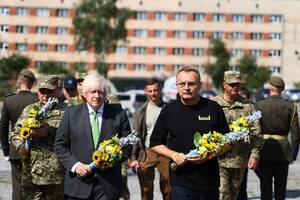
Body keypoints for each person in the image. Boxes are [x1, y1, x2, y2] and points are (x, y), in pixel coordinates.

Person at [150, 65, 230, 200]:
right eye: (182, 84)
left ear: (200, 85)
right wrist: (173, 155)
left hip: (209, 182)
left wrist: (210, 154)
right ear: (177, 85)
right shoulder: (169, 110)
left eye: (191, 84)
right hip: (181, 182)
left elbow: (227, 141)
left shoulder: (212, 108)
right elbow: (155, 143)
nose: (186, 87)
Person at [54, 73, 132, 200]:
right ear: (84, 94)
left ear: (105, 94)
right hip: (78, 185)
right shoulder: (70, 114)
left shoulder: (118, 115)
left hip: (108, 186)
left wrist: (112, 158)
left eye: (100, 92)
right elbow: (60, 146)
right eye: (92, 92)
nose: (97, 96)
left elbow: (127, 146)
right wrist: (75, 165)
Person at [10, 75, 67, 200]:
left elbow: (73, 137)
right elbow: (15, 133)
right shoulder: (29, 110)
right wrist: (20, 146)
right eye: (42, 91)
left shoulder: (65, 112)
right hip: (31, 172)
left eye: (49, 91)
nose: (45, 95)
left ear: (56, 91)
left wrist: (51, 132)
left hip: (55, 175)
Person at [212, 71, 263, 200]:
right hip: (217, 160)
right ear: (224, 85)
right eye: (231, 84)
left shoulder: (247, 106)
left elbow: (256, 133)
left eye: (237, 85)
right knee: (222, 195)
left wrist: (254, 154)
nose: (235, 87)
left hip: (239, 160)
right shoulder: (213, 104)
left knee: (234, 195)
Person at [255, 76, 300, 200]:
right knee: (280, 189)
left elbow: (254, 130)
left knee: (265, 189)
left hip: (264, 149)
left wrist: (253, 152)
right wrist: (293, 154)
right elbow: (296, 134)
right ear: (283, 89)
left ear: (269, 87)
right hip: (283, 151)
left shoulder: (259, 105)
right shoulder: (291, 107)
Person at [130, 78, 171, 200]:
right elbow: (135, 136)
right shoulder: (141, 112)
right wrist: (133, 158)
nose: (153, 93)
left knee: (168, 189)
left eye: (156, 90)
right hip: (146, 152)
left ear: (161, 90)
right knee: (146, 190)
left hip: (165, 151)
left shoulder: (168, 109)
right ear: (146, 91)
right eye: (150, 91)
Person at [0, 69, 38, 200]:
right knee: (34, 186)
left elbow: (3, 128)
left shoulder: (9, 100)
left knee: (17, 186)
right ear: (32, 83)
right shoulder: (37, 100)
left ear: (19, 81)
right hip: (35, 150)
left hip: (15, 150)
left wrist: (5, 150)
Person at [107, 94, 130, 200]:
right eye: (112, 105)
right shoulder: (105, 118)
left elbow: (128, 139)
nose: (114, 107)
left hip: (121, 158)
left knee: (122, 183)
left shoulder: (121, 117)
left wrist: (129, 157)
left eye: (116, 105)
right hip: (106, 157)